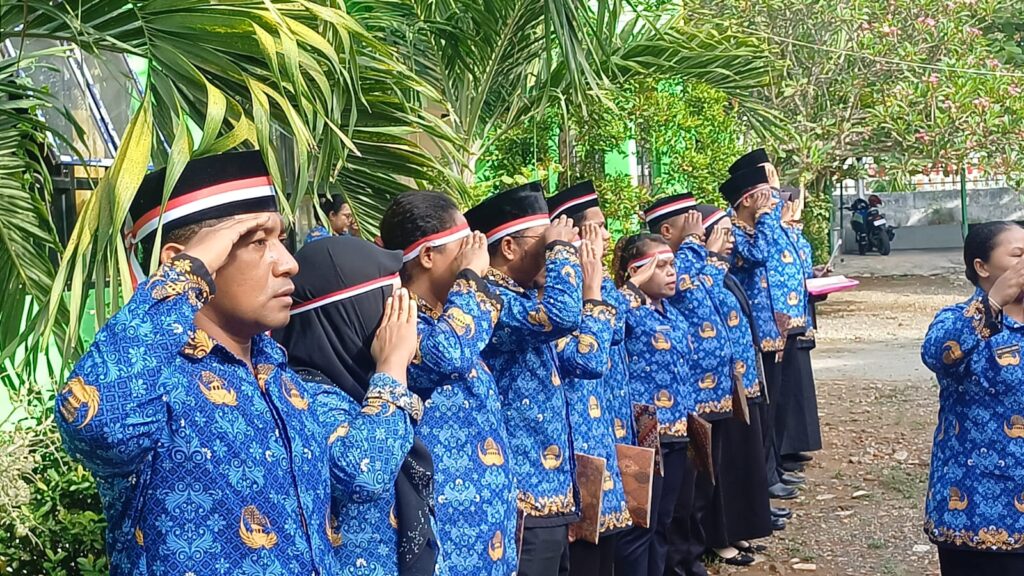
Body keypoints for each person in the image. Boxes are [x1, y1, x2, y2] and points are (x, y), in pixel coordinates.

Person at [56, 151, 420, 575]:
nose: (289, 263)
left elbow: (356, 480)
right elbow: (99, 423)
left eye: (281, 240)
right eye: (257, 242)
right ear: (189, 262)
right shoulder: (156, 383)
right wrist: (184, 274)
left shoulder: (281, 376)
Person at [276, 236, 440, 576]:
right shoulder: (303, 394)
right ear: (351, 318)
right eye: (392, 310)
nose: (404, 330)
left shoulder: (358, 383)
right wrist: (391, 366)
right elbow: (364, 475)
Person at [378, 191, 519, 576]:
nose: (477, 256)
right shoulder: (401, 319)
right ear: (428, 255)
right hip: (450, 538)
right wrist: (470, 276)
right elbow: (446, 354)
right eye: (465, 247)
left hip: (489, 534)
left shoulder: (450, 316)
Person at [464, 182, 582, 576]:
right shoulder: (493, 302)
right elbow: (563, 316)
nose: (550, 249)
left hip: (550, 485)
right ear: (509, 247)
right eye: (542, 241)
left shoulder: (524, 296)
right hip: (523, 491)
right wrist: (561, 249)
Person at [921, 221, 1024, 575]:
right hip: (977, 511)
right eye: (1018, 255)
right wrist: (992, 303)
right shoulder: (957, 321)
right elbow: (937, 353)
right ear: (983, 267)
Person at [644, 194, 733, 576]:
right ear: (667, 230)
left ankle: (689, 559)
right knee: (670, 508)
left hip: (691, 403)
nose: (698, 229)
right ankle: (679, 564)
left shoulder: (686, 272)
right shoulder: (667, 278)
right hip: (661, 419)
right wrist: (697, 244)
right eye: (690, 223)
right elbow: (685, 284)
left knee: (693, 493)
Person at [547, 181, 632, 576]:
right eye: (597, 228)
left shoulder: (591, 282)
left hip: (601, 433)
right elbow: (587, 356)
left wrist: (596, 279)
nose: (606, 237)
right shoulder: (554, 295)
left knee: (605, 554)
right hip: (571, 448)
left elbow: (617, 330)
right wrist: (588, 286)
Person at [694, 204, 776, 566]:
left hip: (741, 384)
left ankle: (738, 528)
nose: (730, 241)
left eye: (730, 233)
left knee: (743, 458)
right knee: (722, 466)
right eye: (723, 234)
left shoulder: (722, 273)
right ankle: (719, 537)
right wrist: (709, 257)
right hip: (715, 390)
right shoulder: (700, 277)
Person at [720, 158, 804, 501]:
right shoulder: (734, 232)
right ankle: (765, 477)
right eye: (764, 196)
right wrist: (768, 215)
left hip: (776, 328)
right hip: (754, 333)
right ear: (747, 200)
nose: (772, 202)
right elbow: (760, 255)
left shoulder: (761, 228)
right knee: (762, 410)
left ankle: (775, 469)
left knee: (776, 405)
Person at [612, 234, 696, 576]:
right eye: (661, 266)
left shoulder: (671, 313)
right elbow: (606, 321)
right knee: (639, 526)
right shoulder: (626, 312)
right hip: (642, 432)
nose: (672, 272)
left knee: (663, 520)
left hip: (675, 431)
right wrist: (632, 287)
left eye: (672, 264)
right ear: (637, 271)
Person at [777, 186, 824, 471]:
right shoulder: (773, 234)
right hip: (782, 321)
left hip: (800, 315)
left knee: (798, 385)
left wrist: (815, 276)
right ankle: (783, 451)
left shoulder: (795, 234)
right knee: (785, 387)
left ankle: (795, 444)